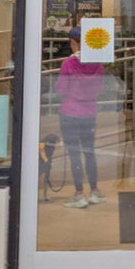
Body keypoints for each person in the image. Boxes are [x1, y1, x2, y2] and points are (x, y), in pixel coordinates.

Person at [55, 26, 106, 209]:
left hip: (70, 112)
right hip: (89, 112)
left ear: (75, 43)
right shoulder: (98, 65)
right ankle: (94, 191)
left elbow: (61, 89)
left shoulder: (68, 64)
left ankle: (79, 194)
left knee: (74, 154)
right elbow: (100, 88)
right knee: (89, 152)